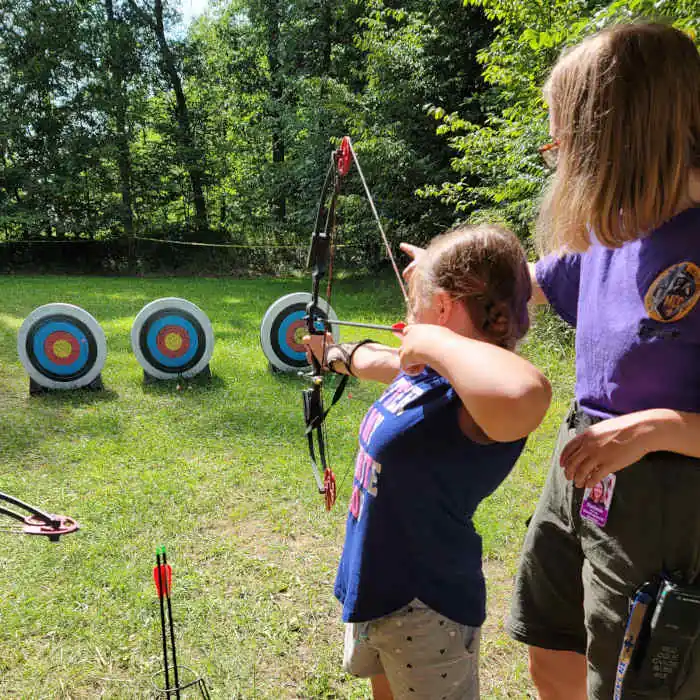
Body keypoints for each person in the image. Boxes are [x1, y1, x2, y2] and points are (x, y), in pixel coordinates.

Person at [502, 21, 700, 700]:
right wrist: (454, 286)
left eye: (566, 137)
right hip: (583, 459)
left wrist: (653, 429)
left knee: (630, 684)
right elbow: (520, 286)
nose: (556, 155)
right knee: (550, 643)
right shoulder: (612, 224)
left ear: (616, 135)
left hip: (669, 492)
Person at [305, 224, 551, 700]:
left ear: (442, 306)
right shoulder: (438, 372)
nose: (405, 317)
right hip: (377, 582)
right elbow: (376, 360)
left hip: (426, 603)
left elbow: (527, 390)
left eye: (414, 300)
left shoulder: (482, 396)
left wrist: (433, 342)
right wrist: (333, 354)